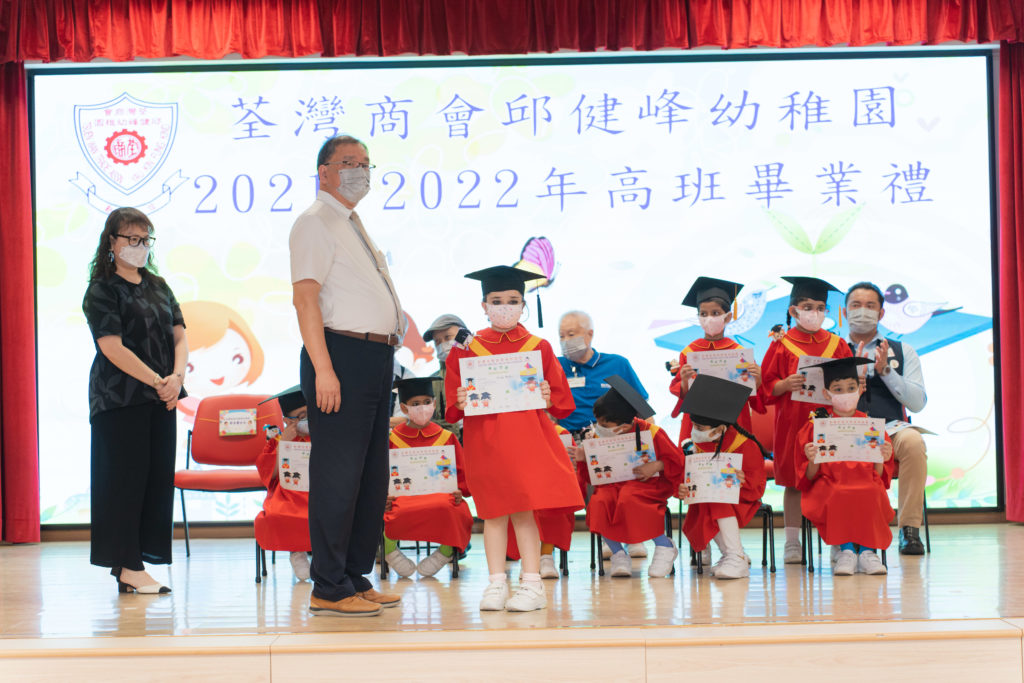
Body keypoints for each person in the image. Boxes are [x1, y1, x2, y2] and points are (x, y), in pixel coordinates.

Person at [289, 135, 406, 617]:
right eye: (349, 163)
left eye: (366, 164)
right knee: (338, 475)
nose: (361, 171)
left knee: (370, 476)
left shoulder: (351, 222)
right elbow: (305, 300)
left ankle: (355, 576)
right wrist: (324, 369)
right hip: (340, 355)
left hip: (375, 358)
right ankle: (329, 586)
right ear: (324, 172)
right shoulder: (315, 221)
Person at [444, 265, 584, 612]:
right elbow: (453, 406)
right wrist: (459, 400)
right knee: (492, 514)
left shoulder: (539, 347)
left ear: (523, 305)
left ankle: (532, 585)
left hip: (527, 440)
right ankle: (496, 584)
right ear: (484, 306)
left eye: (512, 301)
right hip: (485, 442)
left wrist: (548, 395)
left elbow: (562, 402)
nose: (504, 308)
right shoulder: (466, 349)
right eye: (496, 301)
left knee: (523, 512)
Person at [82, 207, 187, 595]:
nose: (140, 246)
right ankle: (128, 565)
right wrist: (158, 381)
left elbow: (180, 335)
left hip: (162, 397)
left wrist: (176, 378)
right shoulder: (102, 289)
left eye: (145, 239)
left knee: (154, 481)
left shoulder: (158, 284)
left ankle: (134, 562)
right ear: (112, 242)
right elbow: (111, 347)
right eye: (131, 238)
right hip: (119, 399)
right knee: (123, 482)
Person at [760, 276, 853, 564]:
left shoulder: (837, 344)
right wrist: (784, 384)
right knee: (793, 484)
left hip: (831, 424)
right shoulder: (781, 344)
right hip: (793, 424)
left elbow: (850, 384)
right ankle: (792, 542)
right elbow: (766, 386)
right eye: (808, 307)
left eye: (821, 307)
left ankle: (837, 540)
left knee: (834, 480)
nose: (815, 313)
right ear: (794, 310)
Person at [557, 309, 651, 559]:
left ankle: (633, 535)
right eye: (561, 336)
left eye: (572, 334)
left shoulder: (616, 364)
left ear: (589, 334)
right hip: (571, 441)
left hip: (613, 437)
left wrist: (648, 441)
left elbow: (642, 408)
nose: (566, 341)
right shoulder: (556, 366)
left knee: (626, 480)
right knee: (591, 486)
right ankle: (609, 536)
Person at [844, 282, 929, 555]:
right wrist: (851, 387)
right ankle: (848, 534)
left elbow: (918, 403)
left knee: (913, 441)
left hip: (890, 430)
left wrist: (886, 372)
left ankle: (909, 530)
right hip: (845, 430)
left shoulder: (903, 351)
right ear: (844, 312)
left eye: (870, 306)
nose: (862, 312)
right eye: (856, 305)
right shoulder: (833, 349)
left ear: (881, 313)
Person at [797, 357, 895, 576]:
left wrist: (881, 457)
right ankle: (846, 551)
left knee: (872, 490)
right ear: (827, 394)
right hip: (829, 484)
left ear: (860, 389)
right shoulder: (816, 427)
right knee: (838, 492)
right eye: (838, 389)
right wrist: (812, 459)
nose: (846, 394)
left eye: (851, 388)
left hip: (866, 481)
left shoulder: (870, 426)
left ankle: (868, 552)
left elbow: (879, 475)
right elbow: (808, 478)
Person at [585, 376, 682, 579]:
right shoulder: (599, 435)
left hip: (648, 485)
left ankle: (664, 545)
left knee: (629, 497)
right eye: (597, 421)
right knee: (600, 501)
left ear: (623, 426)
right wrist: (583, 457)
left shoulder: (653, 433)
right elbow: (592, 471)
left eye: (604, 423)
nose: (599, 426)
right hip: (612, 485)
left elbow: (678, 461)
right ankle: (618, 554)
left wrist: (657, 465)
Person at [679, 375, 768, 580]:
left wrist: (744, 479)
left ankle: (736, 557)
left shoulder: (744, 444)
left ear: (719, 429)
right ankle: (731, 555)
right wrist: (683, 486)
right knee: (709, 499)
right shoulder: (696, 445)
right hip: (709, 498)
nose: (695, 431)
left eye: (700, 428)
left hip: (742, 498)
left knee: (717, 498)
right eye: (694, 425)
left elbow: (757, 483)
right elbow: (683, 475)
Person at [383, 377, 472, 579]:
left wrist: (459, 490)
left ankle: (445, 553)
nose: (422, 408)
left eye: (427, 402)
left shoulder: (446, 437)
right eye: (415, 404)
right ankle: (390, 552)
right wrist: (383, 496)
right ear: (404, 408)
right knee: (387, 510)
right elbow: (380, 476)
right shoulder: (391, 439)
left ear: (434, 403)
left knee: (454, 507)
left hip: (441, 497)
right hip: (401, 499)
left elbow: (461, 475)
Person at [668, 277, 764, 445]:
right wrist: (684, 381)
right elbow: (683, 393)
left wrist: (757, 380)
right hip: (698, 423)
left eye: (715, 313)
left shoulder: (740, 354)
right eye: (703, 314)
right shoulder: (689, 353)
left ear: (727, 317)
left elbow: (752, 397)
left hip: (733, 423)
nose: (709, 318)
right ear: (698, 317)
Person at [254, 386, 312, 581]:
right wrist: (283, 444)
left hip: (320, 491)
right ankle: (296, 551)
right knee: (280, 513)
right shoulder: (277, 439)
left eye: (309, 413)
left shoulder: (324, 434)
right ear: (287, 421)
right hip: (289, 493)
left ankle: (324, 555)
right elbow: (269, 474)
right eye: (301, 416)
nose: (307, 419)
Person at [420, 313, 469, 439]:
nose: (442, 344)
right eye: (437, 341)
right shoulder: (432, 381)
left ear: (465, 335)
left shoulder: (483, 369)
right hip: (448, 443)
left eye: (447, 337)